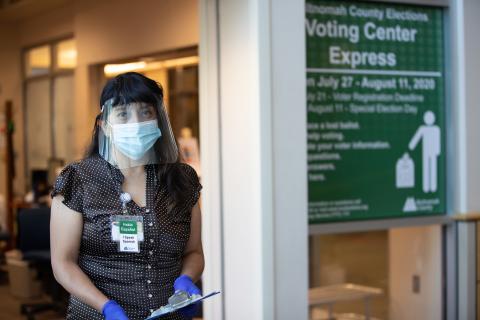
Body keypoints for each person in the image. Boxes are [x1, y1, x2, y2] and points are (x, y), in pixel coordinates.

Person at [50, 72, 204, 320]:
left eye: (145, 112)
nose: (135, 122)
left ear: (158, 120)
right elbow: (63, 263)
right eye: (123, 114)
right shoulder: (78, 179)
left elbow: (194, 252)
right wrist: (106, 307)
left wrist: (186, 280)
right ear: (104, 126)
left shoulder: (183, 180)